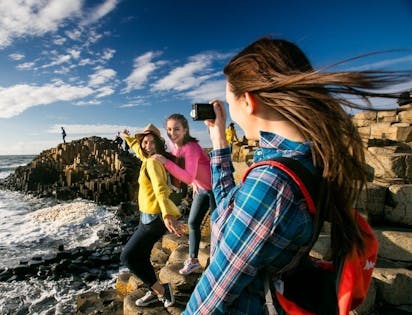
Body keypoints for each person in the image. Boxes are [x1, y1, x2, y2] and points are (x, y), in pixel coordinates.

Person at [183, 37, 411, 314]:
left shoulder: (272, 184)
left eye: (230, 101)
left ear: (248, 101)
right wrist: (219, 142)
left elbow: (212, 297)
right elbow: (229, 211)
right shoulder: (307, 159)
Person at [120, 123, 185, 308]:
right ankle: (154, 289)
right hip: (148, 218)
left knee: (128, 257)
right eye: (145, 142)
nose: (147, 146)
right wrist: (128, 138)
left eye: (151, 142)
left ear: (158, 143)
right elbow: (140, 152)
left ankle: (162, 291)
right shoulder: (152, 158)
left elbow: (160, 189)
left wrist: (167, 214)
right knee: (141, 256)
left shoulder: (153, 162)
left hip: (154, 219)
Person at [153, 114, 215, 275]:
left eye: (176, 129)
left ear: (185, 130)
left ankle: (219, 261)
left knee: (218, 226)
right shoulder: (175, 147)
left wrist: (165, 162)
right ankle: (193, 261)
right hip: (201, 189)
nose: (172, 133)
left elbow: (187, 176)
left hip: (215, 189)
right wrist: (195, 182)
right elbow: (192, 172)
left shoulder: (191, 147)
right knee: (193, 222)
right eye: (169, 129)